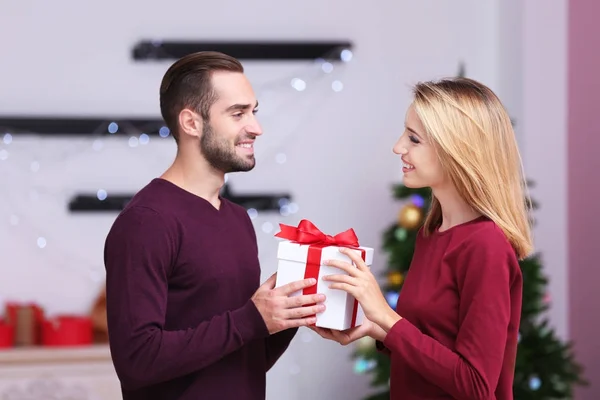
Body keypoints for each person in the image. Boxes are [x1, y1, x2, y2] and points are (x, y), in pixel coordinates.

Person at [103, 51, 326, 400]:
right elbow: (136, 361)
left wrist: (290, 313)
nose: (256, 127)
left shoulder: (237, 219)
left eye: (253, 111)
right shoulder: (146, 222)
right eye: (238, 113)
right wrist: (251, 319)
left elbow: (241, 361)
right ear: (191, 123)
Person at [311, 77, 532, 400]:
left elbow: (475, 386)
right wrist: (376, 328)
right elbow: (432, 343)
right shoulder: (432, 233)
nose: (398, 147)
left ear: (456, 150)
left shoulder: (486, 246)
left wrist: (386, 315)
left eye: (414, 139)